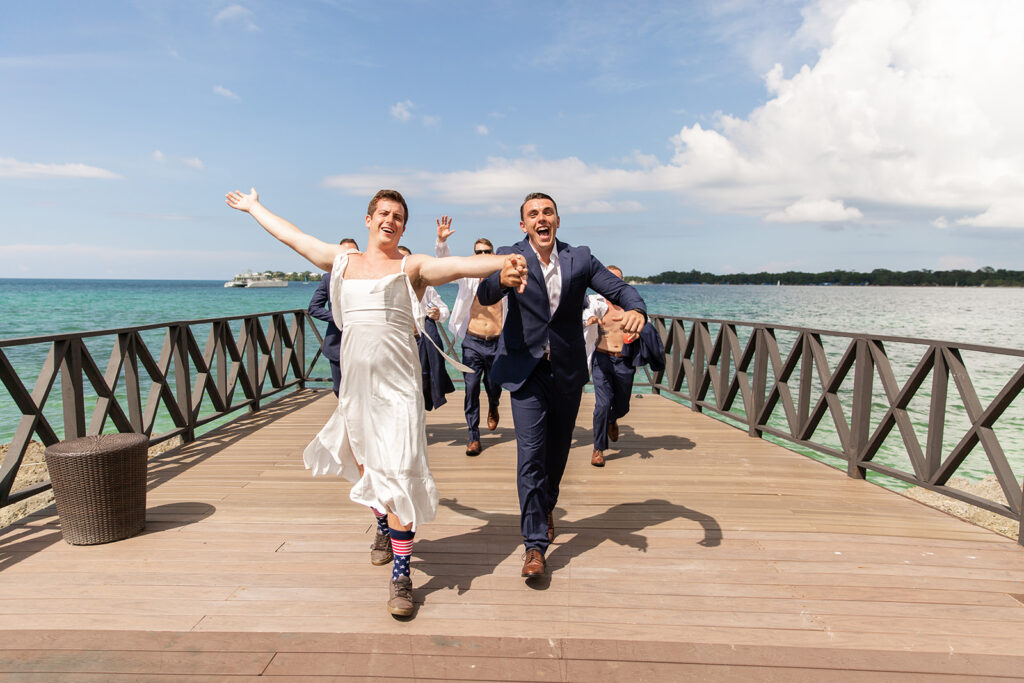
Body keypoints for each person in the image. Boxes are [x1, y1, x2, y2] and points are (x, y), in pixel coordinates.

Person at [225, 187, 527, 616]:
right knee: (369, 468)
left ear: (403, 226)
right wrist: (255, 207)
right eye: (383, 213)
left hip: (400, 393)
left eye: (399, 216)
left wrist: (503, 261)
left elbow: (458, 264)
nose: (390, 220)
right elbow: (293, 237)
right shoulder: (342, 262)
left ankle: (402, 575)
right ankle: (384, 527)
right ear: (369, 220)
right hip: (356, 392)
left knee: (401, 472)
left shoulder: (413, 266)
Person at [476, 192, 646, 580]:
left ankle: (546, 504)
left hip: (567, 372)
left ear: (557, 220)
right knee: (531, 456)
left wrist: (637, 309)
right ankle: (534, 546)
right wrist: (500, 280)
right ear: (524, 225)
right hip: (526, 370)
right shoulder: (510, 254)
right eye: (533, 214)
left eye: (547, 212)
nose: (541, 218)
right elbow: (486, 291)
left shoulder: (580, 258)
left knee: (556, 454)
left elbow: (619, 290)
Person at [435, 217, 504, 456]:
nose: (482, 255)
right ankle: (473, 437)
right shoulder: (467, 277)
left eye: (486, 252)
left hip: (497, 342)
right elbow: (446, 265)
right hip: (472, 342)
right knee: (471, 389)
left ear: (493, 254)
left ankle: (494, 405)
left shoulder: (502, 278)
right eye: (478, 252)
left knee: (494, 387)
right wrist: (442, 242)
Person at [583, 265, 643, 467]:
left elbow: (645, 322)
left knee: (623, 406)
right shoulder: (595, 302)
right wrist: (589, 320)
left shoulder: (630, 306)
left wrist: (638, 332)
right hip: (601, 358)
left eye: (617, 281)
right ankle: (598, 449)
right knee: (601, 405)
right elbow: (583, 313)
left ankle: (612, 419)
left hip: (624, 359)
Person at [397, 245, 455, 410]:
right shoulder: (385, 286)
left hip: (420, 342)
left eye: (407, 260)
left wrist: (438, 313)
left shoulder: (426, 287)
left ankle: (416, 426)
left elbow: (443, 309)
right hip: (394, 343)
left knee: (419, 387)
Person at [307, 238, 359, 396]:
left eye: (352, 253)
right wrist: (338, 317)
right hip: (337, 343)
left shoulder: (367, 277)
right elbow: (314, 308)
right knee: (339, 389)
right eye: (343, 253)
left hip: (362, 343)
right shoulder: (328, 279)